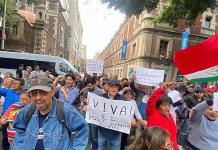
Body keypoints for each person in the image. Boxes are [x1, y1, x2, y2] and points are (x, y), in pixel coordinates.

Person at [13, 77, 89, 149]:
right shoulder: (26, 111)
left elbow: (82, 129)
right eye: (34, 93)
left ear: (52, 92)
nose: (38, 97)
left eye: (43, 93)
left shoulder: (65, 110)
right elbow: (19, 131)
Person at [146, 83, 178, 150]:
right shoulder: (153, 113)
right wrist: (162, 89)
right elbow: (151, 101)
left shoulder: (169, 115)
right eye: (163, 105)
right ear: (157, 106)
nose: (167, 108)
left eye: (169, 105)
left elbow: (173, 137)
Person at [98, 80, 125, 150]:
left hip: (116, 132)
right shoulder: (101, 97)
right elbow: (95, 110)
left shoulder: (122, 99)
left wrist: (131, 118)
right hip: (102, 130)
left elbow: (127, 113)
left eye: (116, 87)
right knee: (101, 148)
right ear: (108, 87)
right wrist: (89, 108)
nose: (114, 88)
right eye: (112, 86)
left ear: (118, 88)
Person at [0, 78, 23, 150]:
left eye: (16, 83)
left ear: (21, 85)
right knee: (5, 135)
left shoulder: (23, 95)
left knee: (15, 135)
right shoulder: (8, 91)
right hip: (5, 116)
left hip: (17, 117)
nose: (14, 85)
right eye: (13, 83)